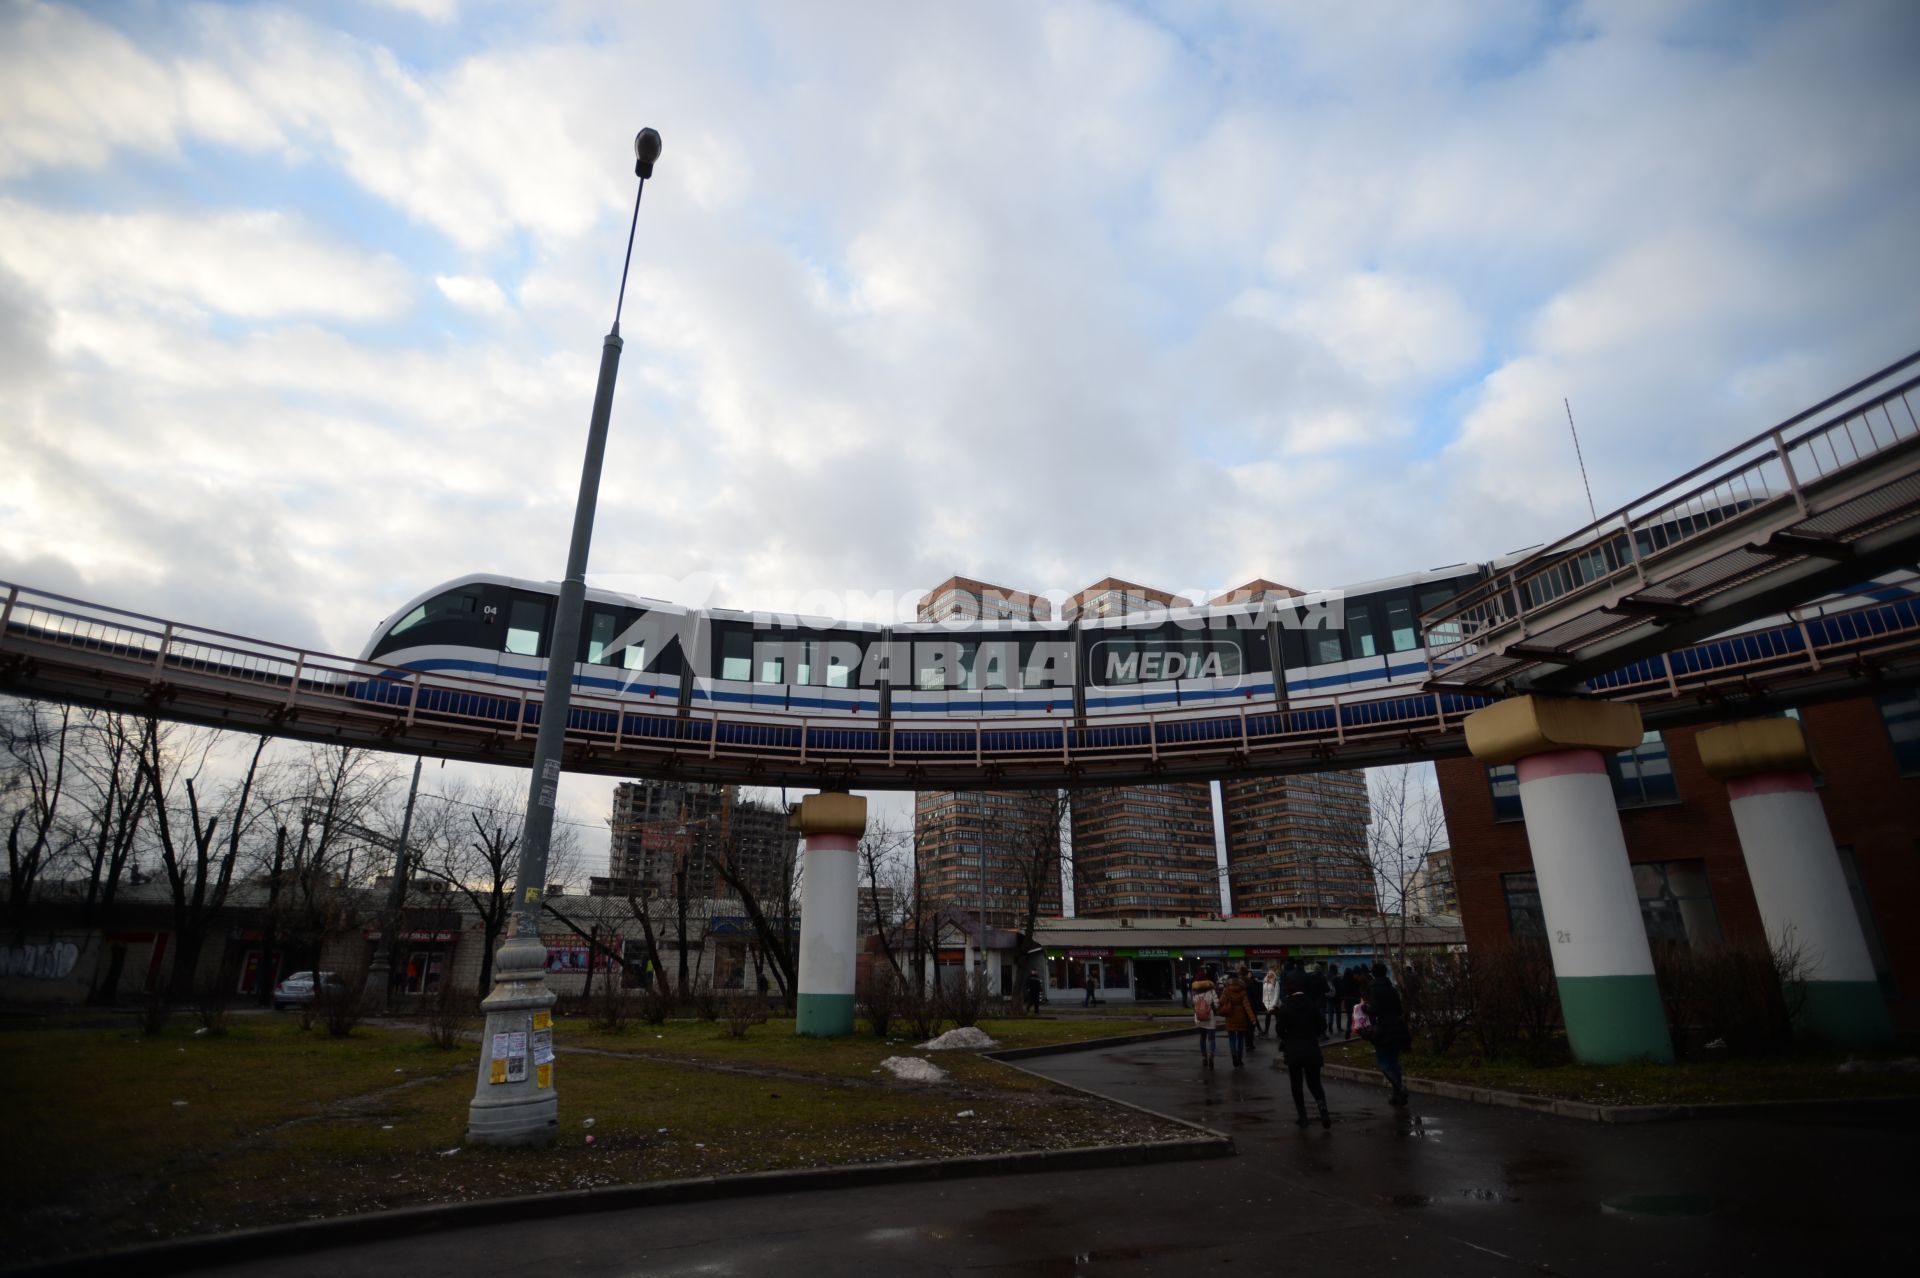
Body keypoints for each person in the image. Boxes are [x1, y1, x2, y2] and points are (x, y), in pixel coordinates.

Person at [1274, 973, 1332, 1128]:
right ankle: (1323, 1110)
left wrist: (1288, 1037)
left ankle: (1303, 1117)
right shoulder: (1311, 1004)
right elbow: (1322, 1025)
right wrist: (1313, 1034)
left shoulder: (1286, 1007)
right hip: (1311, 1049)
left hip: (1294, 1050)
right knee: (1315, 1083)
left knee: (1296, 1084)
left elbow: (1279, 1029)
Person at [1363, 961, 1411, 1106]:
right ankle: (1397, 1094)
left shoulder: (1372, 990)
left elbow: (1374, 1009)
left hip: (1382, 1030)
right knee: (1394, 1062)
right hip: (1397, 1028)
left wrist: (1365, 1008)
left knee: (1384, 1063)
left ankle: (1399, 1088)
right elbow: (1399, 1010)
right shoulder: (1392, 989)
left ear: (1373, 974)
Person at [1218, 969, 1255, 1068]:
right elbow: (1247, 1006)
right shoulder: (1242, 990)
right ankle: (1239, 1059)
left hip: (1230, 1017)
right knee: (1240, 1040)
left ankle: (1233, 1055)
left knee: (1232, 1039)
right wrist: (1252, 1018)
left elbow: (1221, 1002)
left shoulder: (1227, 990)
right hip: (1241, 1018)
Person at [1190, 974, 1218, 1069]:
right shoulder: (1211, 991)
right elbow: (1217, 1004)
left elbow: (1193, 1003)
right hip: (1209, 1016)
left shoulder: (1195, 992)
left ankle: (1203, 1056)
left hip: (1199, 1018)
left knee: (1202, 1037)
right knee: (1211, 1038)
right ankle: (1211, 1055)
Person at [1238, 965, 1262, 1053]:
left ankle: (1246, 1042)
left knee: (1244, 1025)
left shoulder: (1238, 982)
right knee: (1251, 1025)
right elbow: (1256, 994)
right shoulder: (1251, 982)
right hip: (1251, 1005)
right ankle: (1250, 1043)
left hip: (1242, 1005)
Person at [1261, 966, 1281, 1039]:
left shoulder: (1276, 983)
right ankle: (1266, 1032)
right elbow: (1264, 994)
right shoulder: (1265, 982)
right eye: (1268, 973)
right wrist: (1264, 1002)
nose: (1269, 974)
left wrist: (1273, 1005)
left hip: (1275, 1005)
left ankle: (1279, 1033)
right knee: (1267, 1018)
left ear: (1273, 974)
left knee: (1278, 1019)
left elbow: (1277, 995)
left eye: (1270, 973)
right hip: (1267, 1005)